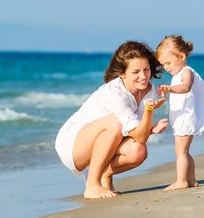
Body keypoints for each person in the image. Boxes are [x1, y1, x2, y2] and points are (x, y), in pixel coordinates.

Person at [55, 41, 168, 199]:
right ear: (122, 73)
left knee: (138, 151)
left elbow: (140, 137)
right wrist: (149, 112)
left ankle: (105, 175)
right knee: (115, 123)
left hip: (106, 139)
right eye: (136, 72)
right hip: (73, 145)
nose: (143, 76)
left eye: (146, 69)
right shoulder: (115, 93)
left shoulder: (148, 90)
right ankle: (92, 185)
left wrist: (150, 127)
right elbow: (136, 131)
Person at [155, 35, 204, 191]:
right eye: (163, 64)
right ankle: (191, 180)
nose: (166, 67)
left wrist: (171, 89)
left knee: (181, 150)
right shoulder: (177, 74)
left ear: (182, 56)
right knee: (181, 150)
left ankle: (181, 181)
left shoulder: (186, 72)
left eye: (168, 63)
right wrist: (165, 94)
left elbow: (185, 87)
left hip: (186, 117)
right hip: (180, 117)